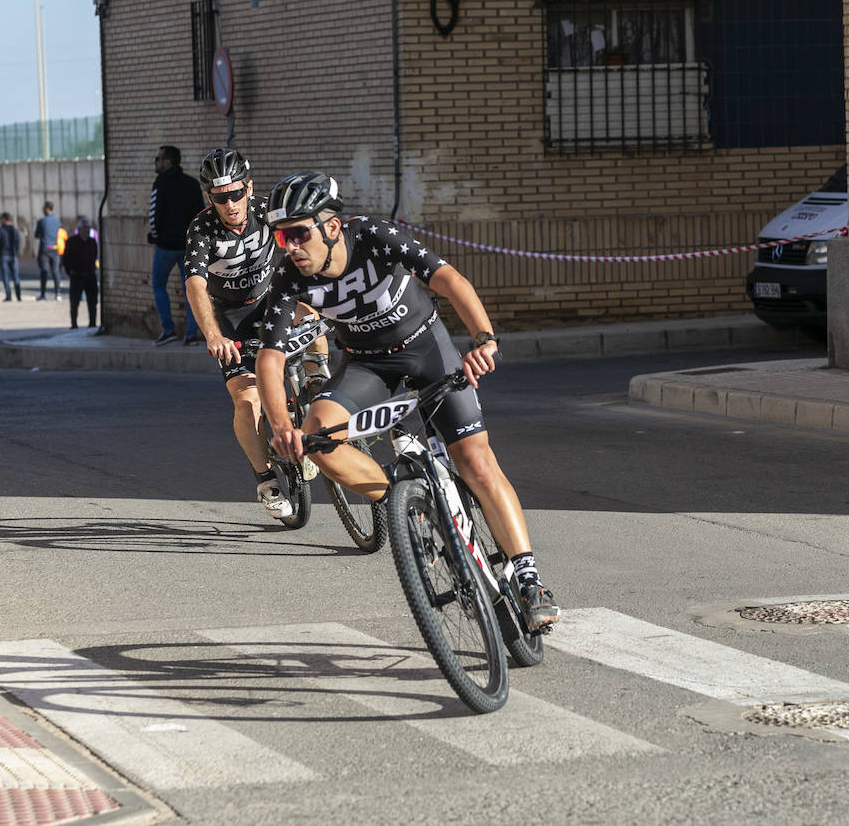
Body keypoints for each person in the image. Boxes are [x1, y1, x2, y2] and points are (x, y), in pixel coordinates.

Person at [258, 172, 560, 631]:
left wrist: (484, 339)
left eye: (299, 233)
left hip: (427, 349)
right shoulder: (288, 277)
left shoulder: (375, 237)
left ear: (332, 227)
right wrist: (282, 424)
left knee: (476, 463)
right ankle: (404, 499)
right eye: (282, 237)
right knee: (316, 437)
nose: (291, 246)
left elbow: (449, 280)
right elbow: (271, 357)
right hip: (368, 366)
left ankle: (528, 579)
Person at [184, 149, 329, 519]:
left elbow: (306, 244)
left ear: (249, 187)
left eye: (236, 194)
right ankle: (266, 479)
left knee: (313, 319)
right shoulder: (202, 229)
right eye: (220, 198)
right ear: (209, 198)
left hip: (271, 299)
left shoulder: (267, 211)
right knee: (247, 401)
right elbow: (196, 285)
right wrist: (213, 335)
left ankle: (317, 390)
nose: (230, 204)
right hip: (230, 318)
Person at [147, 145, 204, 345]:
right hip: (188, 246)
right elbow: (200, 215)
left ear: (168, 162)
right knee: (191, 289)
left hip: (166, 246)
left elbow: (154, 215)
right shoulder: (192, 184)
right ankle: (191, 334)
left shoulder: (160, 183)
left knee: (158, 285)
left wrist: (155, 236)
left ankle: (169, 330)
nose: (156, 162)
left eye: (158, 159)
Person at [62, 217, 99, 329]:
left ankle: (92, 323)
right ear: (79, 229)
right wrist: (70, 272)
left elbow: (95, 255)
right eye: (84, 228)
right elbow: (66, 259)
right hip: (76, 275)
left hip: (90, 275)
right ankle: (74, 324)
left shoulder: (92, 242)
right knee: (74, 301)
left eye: (88, 228)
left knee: (92, 301)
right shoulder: (71, 241)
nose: (87, 230)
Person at [33, 201, 62, 301]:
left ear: (47, 209)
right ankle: (58, 294)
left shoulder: (42, 221)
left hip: (45, 248)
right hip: (55, 248)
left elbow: (36, 235)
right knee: (56, 271)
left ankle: (43, 295)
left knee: (44, 271)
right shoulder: (57, 221)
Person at [0, 212, 22, 301]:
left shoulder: (0, 230)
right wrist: (16, 252)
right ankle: (18, 296)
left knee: (5, 276)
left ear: (5, 219)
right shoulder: (14, 230)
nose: (1, 221)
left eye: (2, 219)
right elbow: (18, 242)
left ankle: (9, 296)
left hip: (3, 255)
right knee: (16, 276)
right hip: (13, 255)